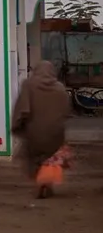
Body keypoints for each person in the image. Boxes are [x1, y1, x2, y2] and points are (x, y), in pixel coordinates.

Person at [11, 58, 72, 198]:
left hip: (34, 131)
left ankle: (39, 182)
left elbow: (23, 109)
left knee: (33, 158)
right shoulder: (60, 88)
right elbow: (66, 111)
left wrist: (17, 125)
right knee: (51, 158)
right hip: (56, 133)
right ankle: (47, 182)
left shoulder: (29, 85)